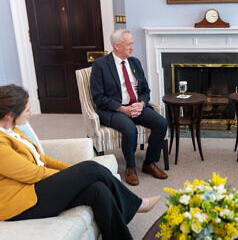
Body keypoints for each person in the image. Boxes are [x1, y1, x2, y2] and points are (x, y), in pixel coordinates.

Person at [0, 84, 160, 240]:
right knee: (90, 169)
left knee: (98, 190)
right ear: (10, 115)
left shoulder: (12, 128)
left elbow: (41, 158)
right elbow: (32, 174)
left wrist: (73, 173)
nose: (30, 112)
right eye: (27, 109)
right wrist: (72, 177)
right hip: (21, 201)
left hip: (34, 187)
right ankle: (137, 204)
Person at [90, 29, 168, 186]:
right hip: (113, 110)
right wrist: (122, 108)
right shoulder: (100, 65)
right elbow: (98, 97)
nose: (133, 47)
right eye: (129, 44)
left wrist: (142, 103)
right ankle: (130, 168)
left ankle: (149, 163)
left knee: (161, 123)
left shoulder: (135, 62)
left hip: (135, 106)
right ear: (117, 46)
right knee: (130, 129)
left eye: (132, 43)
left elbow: (145, 90)